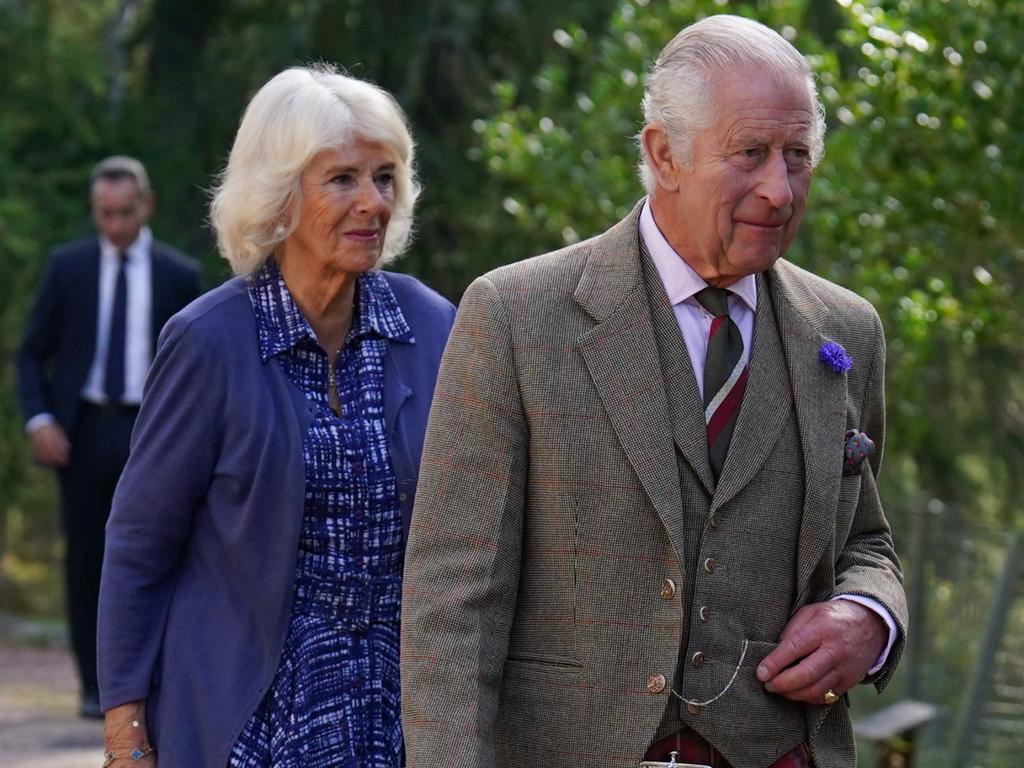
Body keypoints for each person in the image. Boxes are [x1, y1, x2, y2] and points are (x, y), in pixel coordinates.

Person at [401, 15, 907, 768]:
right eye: (751, 154)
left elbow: (865, 539)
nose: (779, 189)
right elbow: (453, 602)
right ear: (662, 153)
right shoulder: (514, 316)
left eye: (797, 156)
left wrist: (870, 616)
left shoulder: (845, 334)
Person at [96, 65, 455, 767]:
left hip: (397, 719)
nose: (372, 203)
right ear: (280, 194)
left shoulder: (431, 327)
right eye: (343, 179)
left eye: (385, 177)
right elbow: (140, 544)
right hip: (249, 720)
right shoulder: (208, 342)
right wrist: (125, 733)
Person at [15, 156, 200, 718]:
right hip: (84, 431)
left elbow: (198, 364)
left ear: (145, 206)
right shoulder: (68, 267)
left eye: (124, 212)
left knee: (161, 552)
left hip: (153, 434)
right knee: (86, 558)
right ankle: (94, 686)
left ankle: (153, 674)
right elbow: (29, 354)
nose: (115, 225)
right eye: (104, 215)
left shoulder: (179, 275)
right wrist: (40, 420)